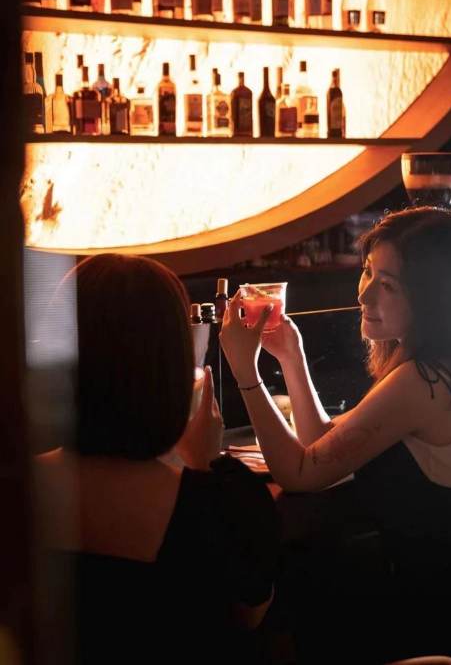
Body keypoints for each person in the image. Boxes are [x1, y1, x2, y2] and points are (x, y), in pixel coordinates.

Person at [220, 207, 451, 662]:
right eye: (368, 271)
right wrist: (291, 357)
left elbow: (299, 473)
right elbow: (322, 448)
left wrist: (244, 372)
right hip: (448, 612)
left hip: (442, 632)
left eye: (388, 285)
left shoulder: (422, 383)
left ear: (435, 300)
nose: (365, 294)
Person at [34, 253, 279, 665]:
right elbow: (248, 614)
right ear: (172, 364)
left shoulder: (15, 484)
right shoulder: (223, 501)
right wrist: (204, 467)